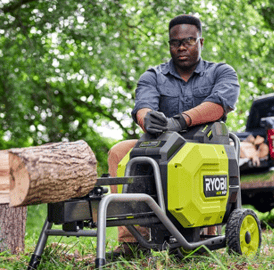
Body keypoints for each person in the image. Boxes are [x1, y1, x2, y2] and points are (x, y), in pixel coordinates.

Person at [107, 14, 240, 258]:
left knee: (196, 159)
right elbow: (142, 106)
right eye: (174, 42)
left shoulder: (221, 72)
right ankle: (132, 241)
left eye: (188, 41)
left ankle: (203, 235)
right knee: (118, 152)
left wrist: (180, 121)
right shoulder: (153, 75)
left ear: (201, 42)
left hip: (206, 144)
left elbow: (220, 104)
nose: (180, 47)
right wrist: (147, 119)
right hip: (160, 144)